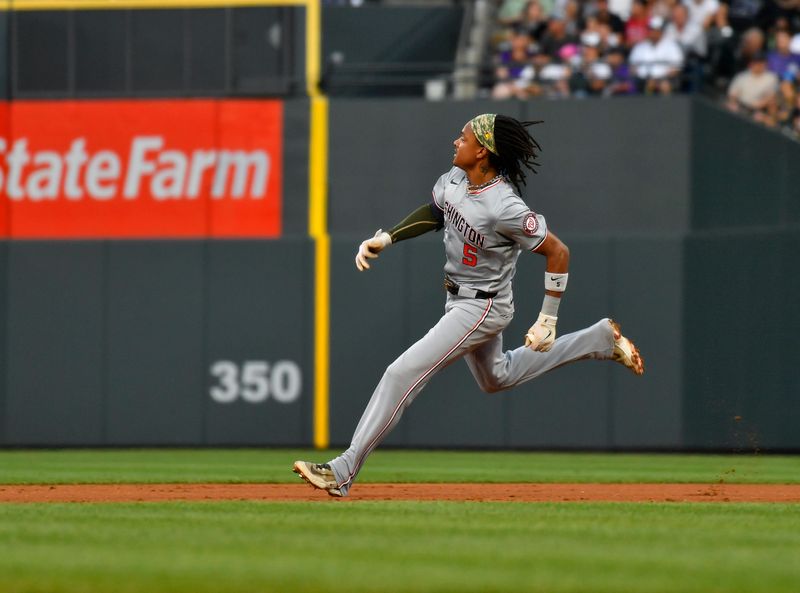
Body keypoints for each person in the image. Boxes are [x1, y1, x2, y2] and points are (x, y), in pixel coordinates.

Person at [293, 114, 645, 498]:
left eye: (462, 138)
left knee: (400, 373)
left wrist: (548, 317)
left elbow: (558, 252)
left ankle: (342, 471)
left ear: (482, 151)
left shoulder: (505, 206)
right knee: (497, 377)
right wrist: (389, 238)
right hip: (459, 298)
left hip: (482, 307)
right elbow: (436, 209)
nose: (454, 142)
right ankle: (598, 340)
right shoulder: (458, 178)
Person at [629, 15, 685, 94]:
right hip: (643, 80)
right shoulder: (640, 47)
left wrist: (659, 80)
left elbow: (678, 67)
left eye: (657, 30)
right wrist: (646, 79)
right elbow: (632, 67)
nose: (654, 33)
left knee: (664, 85)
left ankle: (666, 106)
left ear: (661, 31)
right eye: (652, 30)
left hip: (665, 79)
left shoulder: (671, 45)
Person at [726, 52, 779, 123]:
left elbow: (771, 97)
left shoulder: (771, 78)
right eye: (756, 63)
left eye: (761, 63)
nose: (758, 65)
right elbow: (733, 94)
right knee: (730, 107)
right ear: (751, 64)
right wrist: (734, 103)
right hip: (740, 106)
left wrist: (756, 106)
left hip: (758, 110)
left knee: (760, 117)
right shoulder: (742, 76)